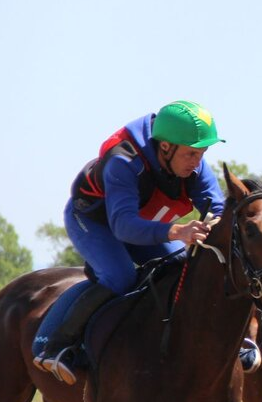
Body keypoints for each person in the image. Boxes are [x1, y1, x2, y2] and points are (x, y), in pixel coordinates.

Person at [33, 101, 226, 384]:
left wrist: (217, 225)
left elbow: (217, 209)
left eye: (202, 153)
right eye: (191, 154)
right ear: (165, 148)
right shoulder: (123, 161)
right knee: (120, 275)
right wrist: (177, 232)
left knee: (183, 266)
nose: (197, 162)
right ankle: (55, 345)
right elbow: (123, 227)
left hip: (142, 225)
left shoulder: (189, 159)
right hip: (94, 221)